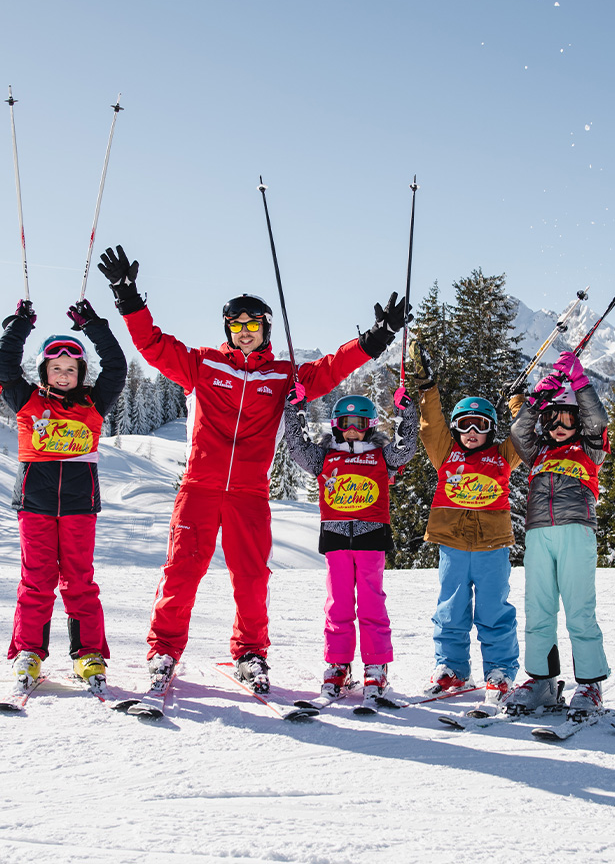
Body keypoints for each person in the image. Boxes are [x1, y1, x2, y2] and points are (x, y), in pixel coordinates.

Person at [97, 244, 407, 692]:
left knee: (252, 576)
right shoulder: (203, 364)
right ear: (228, 329)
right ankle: (164, 650)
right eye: (237, 325)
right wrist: (128, 298)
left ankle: (251, 653)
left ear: (266, 329)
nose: (245, 332)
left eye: (253, 324)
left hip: (249, 492)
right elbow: (152, 345)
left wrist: (375, 338)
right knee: (181, 570)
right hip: (200, 487)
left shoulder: (283, 376)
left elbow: (331, 369)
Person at [0, 298, 127, 692]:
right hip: (35, 506)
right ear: (44, 371)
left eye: (71, 369)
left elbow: (116, 367)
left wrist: (92, 326)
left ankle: (88, 653)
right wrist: (20, 325)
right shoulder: (26, 400)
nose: (64, 374)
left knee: (79, 580)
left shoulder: (93, 403)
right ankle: (29, 651)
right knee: (36, 580)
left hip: (78, 508)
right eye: (56, 368)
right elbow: (4, 365)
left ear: (81, 373)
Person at [285, 390, 417, 700]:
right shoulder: (324, 457)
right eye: (346, 423)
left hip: (371, 537)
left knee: (372, 604)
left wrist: (407, 413)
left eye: (359, 423)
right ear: (336, 426)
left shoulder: (382, 456)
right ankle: (338, 664)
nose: (352, 430)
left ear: (370, 425)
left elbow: (406, 449)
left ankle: (376, 666)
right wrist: (294, 409)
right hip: (336, 539)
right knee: (339, 604)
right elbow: (297, 448)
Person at [415, 345, 523, 708]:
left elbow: (524, 436)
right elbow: (431, 426)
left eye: (480, 425)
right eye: (464, 425)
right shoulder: (446, 453)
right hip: (453, 544)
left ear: (492, 430)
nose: (472, 432)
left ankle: (500, 669)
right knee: (451, 607)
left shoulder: (502, 456)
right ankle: (452, 667)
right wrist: (428, 388)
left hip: (493, 547)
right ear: (456, 429)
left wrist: (518, 403)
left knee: (494, 610)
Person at [505, 352, 610, 718]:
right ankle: (542, 681)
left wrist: (580, 383)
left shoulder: (589, 449)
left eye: (568, 418)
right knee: (539, 609)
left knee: (579, 608)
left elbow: (598, 420)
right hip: (538, 534)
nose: (560, 425)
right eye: (552, 418)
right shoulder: (538, 452)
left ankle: (590, 684)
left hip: (576, 531)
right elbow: (519, 431)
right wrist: (535, 401)